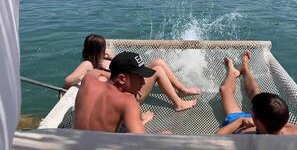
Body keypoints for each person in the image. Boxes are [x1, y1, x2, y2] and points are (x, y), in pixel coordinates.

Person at [64, 34, 200, 111]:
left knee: (158, 61)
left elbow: (124, 66)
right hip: (129, 95)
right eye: (104, 47)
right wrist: (89, 74)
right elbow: (68, 80)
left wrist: (113, 57)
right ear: (98, 50)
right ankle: (178, 103)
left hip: (128, 86)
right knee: (157, 71)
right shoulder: (88, 64)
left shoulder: (103, 60)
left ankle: (182, 89)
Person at [216, 51, 297, 135]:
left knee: (225, 90)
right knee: (255, 91)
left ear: (257, 120)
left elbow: (215, 137)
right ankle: (245, 68)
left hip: (238, 123)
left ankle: (232, 72)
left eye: (252, 111)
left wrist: (242, 121)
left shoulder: (249, 141)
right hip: (266, 120)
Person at [74, 52, 157, 132]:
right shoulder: (127, 101)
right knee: (166, 133)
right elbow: (141, 140)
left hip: (75, 142)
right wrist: (142, 122)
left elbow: (93, 72)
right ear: (121, 79)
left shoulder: (88, 80)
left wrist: (115, 76)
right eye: (139, 78)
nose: (143, 82)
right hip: (101, 145)